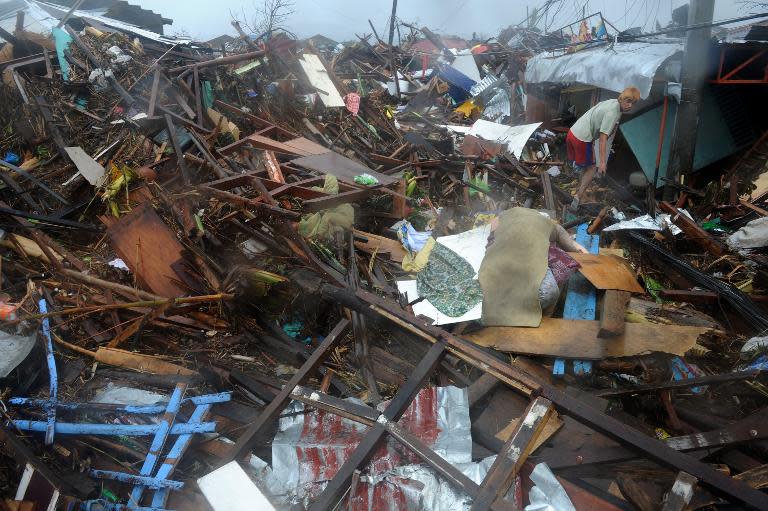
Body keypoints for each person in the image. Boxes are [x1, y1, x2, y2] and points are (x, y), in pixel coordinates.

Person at [566, 86, 640, 210]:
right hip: (581, 138)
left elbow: (594, 121)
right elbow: (603, 138)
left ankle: (581, 194)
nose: (630, 105)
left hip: (574, 133)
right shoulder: (613, 112)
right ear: (622, 99)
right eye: (628, 101)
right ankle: (578, 198)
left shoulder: (611, 102)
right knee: (592, 169)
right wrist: (602, 163)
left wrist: (594, 150)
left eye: (633, 103)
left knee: (587, 165)